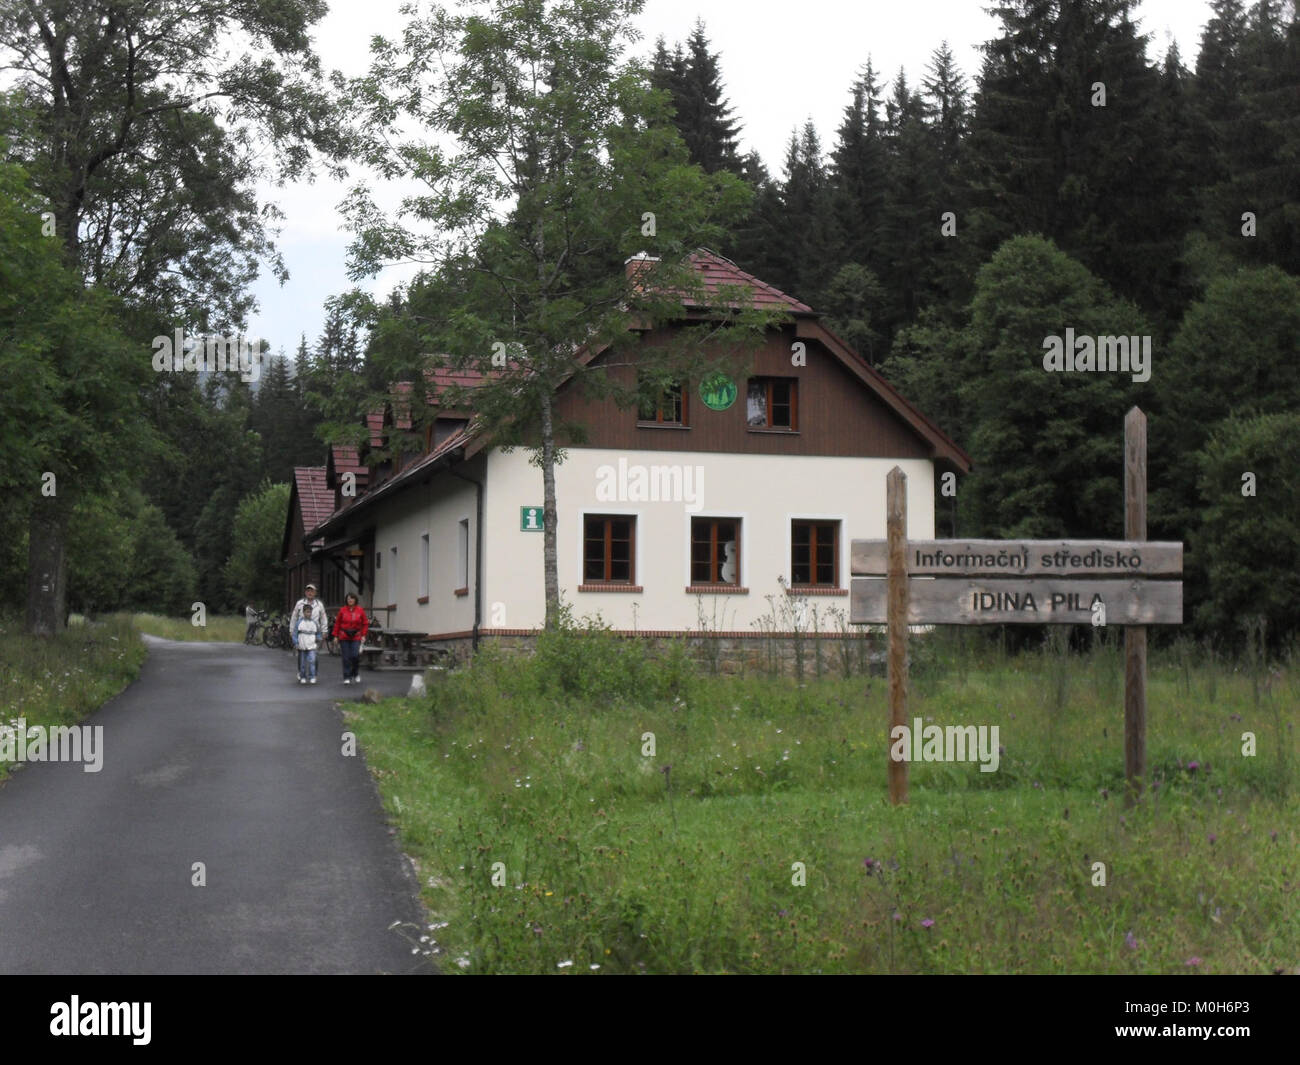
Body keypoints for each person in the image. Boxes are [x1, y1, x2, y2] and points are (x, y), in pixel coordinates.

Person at [289, 584, 327, 684]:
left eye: (312, 591)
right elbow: (294, 617)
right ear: (305, 592)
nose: (310, 593)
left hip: (314, 633)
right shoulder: (300, 603)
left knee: (314, 656)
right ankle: (301, 673)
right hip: (302, 633)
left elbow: (323, 618)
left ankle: (313, 674)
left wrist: (324, 631)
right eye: (308, 591)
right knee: (301, 655)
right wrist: (292, 630)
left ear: (315, 593)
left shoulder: (319, 604)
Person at [332, 592, 370, 685]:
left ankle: (355, 673)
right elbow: (337, 623)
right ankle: (346, 676)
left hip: (356, 636)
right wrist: (335, 636)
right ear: (346, 600)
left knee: (355, 656)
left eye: (352, 598)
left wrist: (363, 635)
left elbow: (365, 623)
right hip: (344, 635)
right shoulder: (342, 610)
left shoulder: (360, 610)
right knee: (346, 657)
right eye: (348, 599)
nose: (350, 600)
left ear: (355, 600)